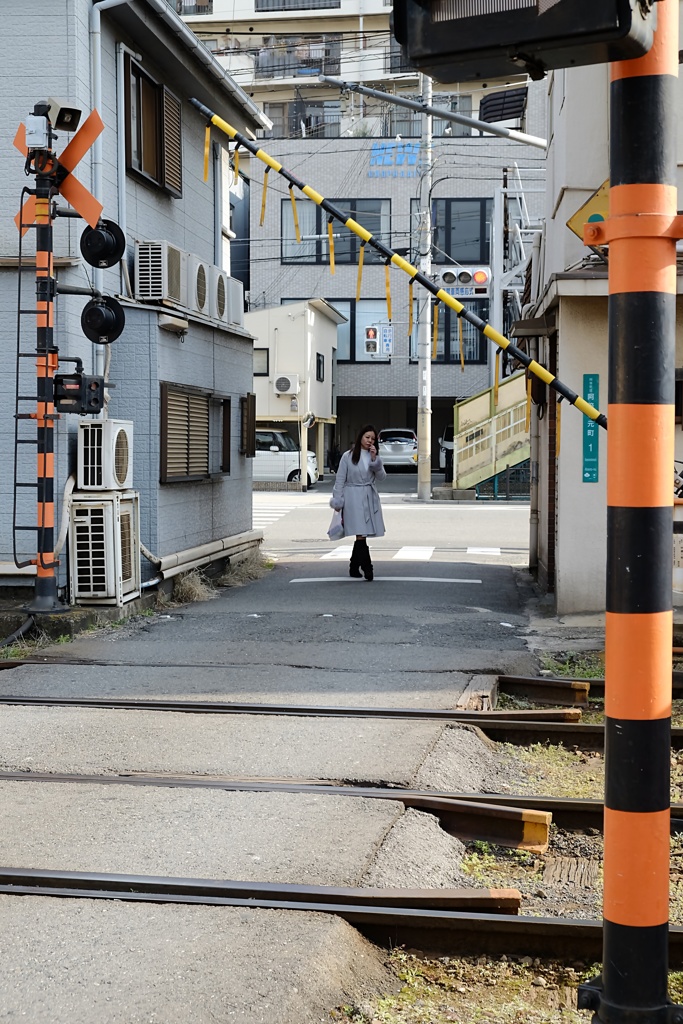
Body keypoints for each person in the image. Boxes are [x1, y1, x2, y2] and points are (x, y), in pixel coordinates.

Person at [330, 424, 386, 581]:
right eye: (367, 437)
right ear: (360, 437)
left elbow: (382, 477)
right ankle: (368, 568)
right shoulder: (348, 456)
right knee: (361, 533)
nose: (369, 441)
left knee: (361, 534)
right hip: (352, 497)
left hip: (369, 496)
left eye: (373, 439)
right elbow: (340, 479)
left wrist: (376, 461)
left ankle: (354, 567)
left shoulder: (373, 456)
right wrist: (338, 500)